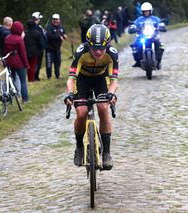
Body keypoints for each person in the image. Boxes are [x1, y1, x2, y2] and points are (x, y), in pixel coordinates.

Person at [64, 24, 118, 170]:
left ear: (108, 44)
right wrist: (69, 94)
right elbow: (71, 78)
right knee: (81, 113)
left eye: (102, 48)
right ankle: (79, 146)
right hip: (82, 80)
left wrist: (112, 93)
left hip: (101, 79)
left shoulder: (112, 54)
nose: (99, 52)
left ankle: (106, 152)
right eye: (95, 49)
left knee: (103, 108)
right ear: (89, 45)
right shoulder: (81, 52)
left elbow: (114, 80)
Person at [129, 2, 165, 69]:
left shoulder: (155, 19)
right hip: (141, 36)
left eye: (148, 11)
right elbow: (134, 24)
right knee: (134, 46)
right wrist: (133, 27)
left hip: (153, 36)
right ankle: (138, 61)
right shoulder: (139, 19)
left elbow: (160, 23)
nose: (146, 12)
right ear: (142, 12)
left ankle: (158, 61)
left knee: (161, 46)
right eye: (145, 11)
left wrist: (161, 26)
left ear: (150, 11)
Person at [4, 21, 30, 103]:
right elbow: (23, 53)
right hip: (19, 63)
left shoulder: (7, 38)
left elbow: (5, 51)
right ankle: (25, 98)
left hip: (9, 62)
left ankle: (11, 98)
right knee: (23, 81)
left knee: (11, 80)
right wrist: (26, 64)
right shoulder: (19, 39)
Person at [45, 14, 67, 79]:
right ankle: (49, 76)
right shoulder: (49, 27)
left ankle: (57, 75)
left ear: (59, 20)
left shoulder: (61, 27)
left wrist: (64, 36)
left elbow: (63, 34)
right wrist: (59, 37)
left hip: (57, 48)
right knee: (49, 63)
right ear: (52, 20)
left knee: (58, 62)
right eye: (54, 19)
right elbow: (49, 36)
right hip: (49, 48)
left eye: (57, 19)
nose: (55, 21)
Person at [31, 12, 46, 81]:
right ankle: (34, 77)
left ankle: (36, 76)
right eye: (39, 18)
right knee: (36, 63)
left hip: (38, 49)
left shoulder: (38, 27)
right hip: (37, 49)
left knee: (37, 63)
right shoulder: (35, 27)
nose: (40, 20)